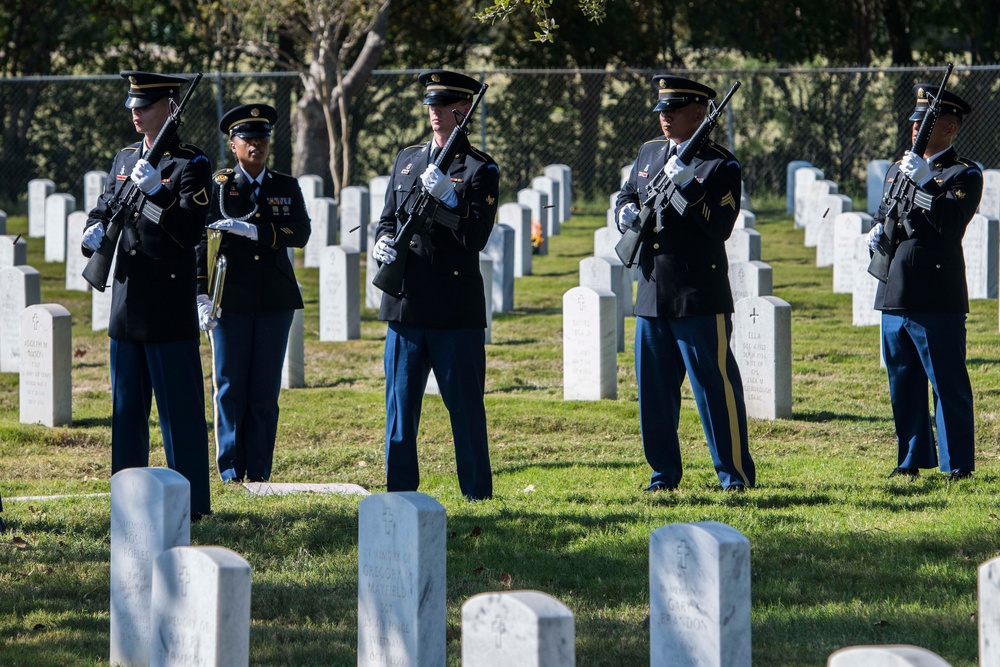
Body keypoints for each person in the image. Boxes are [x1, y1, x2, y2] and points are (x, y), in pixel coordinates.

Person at [81, 71, 213, 518]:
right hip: (127, 301)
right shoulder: (123, 157)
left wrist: (157, 192)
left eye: (145, 105)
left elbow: (190, 231)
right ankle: (128, 496)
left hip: (167, 304)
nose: (135, 113)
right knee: (126, 413)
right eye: (133, 106)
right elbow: (105, 206)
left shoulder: (190, 164)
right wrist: (92, 231)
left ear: (170, 108)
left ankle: (192, 504)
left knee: (181, 415)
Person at [615, 75, 755, 493]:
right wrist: (623, 213)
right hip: (652, 291)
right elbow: (628, 193)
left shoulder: (720, 165)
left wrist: (689, 186)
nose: (664, 118)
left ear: (700, 114)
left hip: (698, 295)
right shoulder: (649, 152)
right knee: (654, 398)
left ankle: (734, 477)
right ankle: (663, 476)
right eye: (661, 111)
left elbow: (720, 228)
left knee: (715, 391)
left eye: (673, 111)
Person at [372, 69, 500, 500]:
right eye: (430, 105)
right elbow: (389, 217)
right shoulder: (407, 158)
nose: (434, 113)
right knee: (400, 411)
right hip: (406, 306)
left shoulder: (480, 169)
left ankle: (477, 494)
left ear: (463, 110)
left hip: (453, 308)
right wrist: (382, 243)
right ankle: (400, 492)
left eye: (443, 106)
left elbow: (475, 236)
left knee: (464, 410)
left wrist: (450, 199)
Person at [867, 84, 982, 481]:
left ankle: (958, 465)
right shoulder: (897, 169)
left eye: (926, 122)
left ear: (949, 128)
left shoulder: (963, 173)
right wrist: (875, 230)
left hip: (937, 294)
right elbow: (886, 212)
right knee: (903, 380)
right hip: (895, 288)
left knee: (946, 383)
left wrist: (927, 185)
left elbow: (951, 224)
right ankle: (911, 458)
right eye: (915, 121)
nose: (915, 128)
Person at [196, 103, 311, 484]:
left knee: (264, 390)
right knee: (229, 386)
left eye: (262, 138)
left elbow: (302, 232)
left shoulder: (284, 185)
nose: (256, 145)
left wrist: (259, 233)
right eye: (248, 138)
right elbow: (202, 243)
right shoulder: (220, 186)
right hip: (231, 299)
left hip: (274, 300)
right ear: (233, 144)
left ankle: (259, 470)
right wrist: (201, 292)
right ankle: (230, 469)